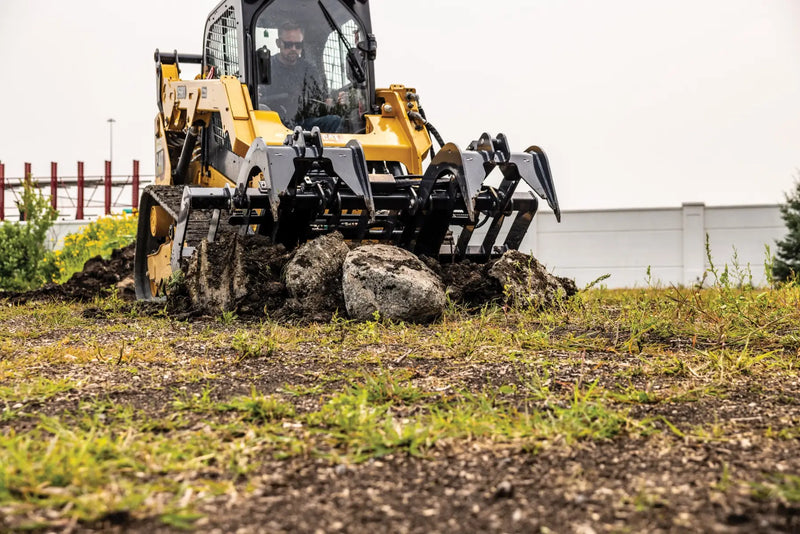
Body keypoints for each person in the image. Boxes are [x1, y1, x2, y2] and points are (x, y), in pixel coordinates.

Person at [260, 21, 343, 132]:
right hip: (274, 125)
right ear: (278, 43)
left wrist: (335, 101)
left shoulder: (309, 70)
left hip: (304, 124)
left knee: (334, 120)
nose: (293, 48)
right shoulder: (265, 68)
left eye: (298, 45)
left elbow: (322, 99)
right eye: (288, 45)